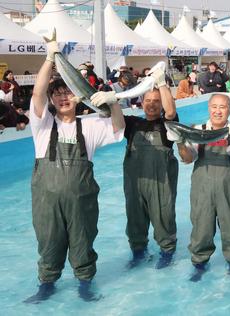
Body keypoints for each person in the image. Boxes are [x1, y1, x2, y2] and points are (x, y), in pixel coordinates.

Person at [24, 36, 125, 303]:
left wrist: (114, 102)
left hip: (82, 202)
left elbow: (118, 128)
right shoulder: (42, 125)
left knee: (83, 242)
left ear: (77, 96)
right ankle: (46, 284)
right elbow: (37, 92)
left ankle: (84, 283)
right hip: (47, 202)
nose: (63, 97)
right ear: (52, 100)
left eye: (67, 93)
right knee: (48, 243)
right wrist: (50, 57)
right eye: (57, 94)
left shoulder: (89, 125)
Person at [93, 68, 181, 269]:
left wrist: (161, 84)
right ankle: (138, 253)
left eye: (156, 101)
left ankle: (167, 252)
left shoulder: (168, 125)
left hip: (161, 184)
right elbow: (115, 119)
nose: (151, 105)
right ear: (141, 103)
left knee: (164, 218)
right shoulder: (132, 123)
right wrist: (112, 100)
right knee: (134, 219)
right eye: (147, 101)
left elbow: (171, 111)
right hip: (135, 184)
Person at [173, 94, 230, 283]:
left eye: (222, 107)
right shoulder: (199, 130)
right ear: (208, 108)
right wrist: (179, 141)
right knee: (201, 227)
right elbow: (188, 158)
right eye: (214, 106)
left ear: (229, 110)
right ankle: (199, 264)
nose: (218, 111)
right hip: (202, 187)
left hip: (229, 186)